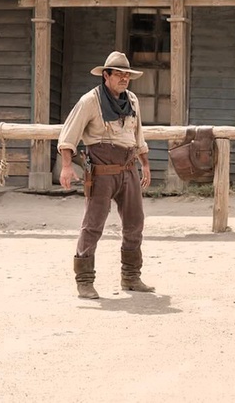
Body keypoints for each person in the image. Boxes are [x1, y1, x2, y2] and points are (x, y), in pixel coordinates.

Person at [58, 51, 154, 299]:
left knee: (135, 223)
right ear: (106, 75)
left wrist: (144, 164)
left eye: (127, 75)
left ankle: (131, 277)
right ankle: (85, 281)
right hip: (101, 172)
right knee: (93, 225)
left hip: (128, 168)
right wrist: (67, 166)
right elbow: (69, 136)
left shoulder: (132, 100)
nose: (124, 78)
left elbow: (138, 134)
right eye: (119, 74)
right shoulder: (90, 101)